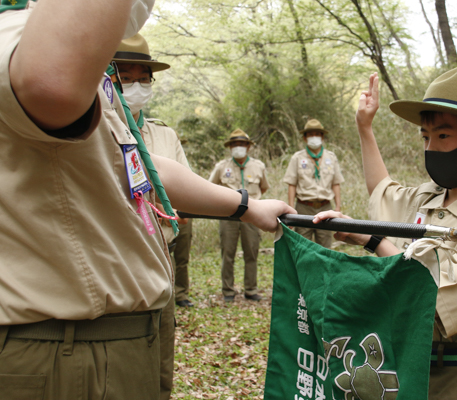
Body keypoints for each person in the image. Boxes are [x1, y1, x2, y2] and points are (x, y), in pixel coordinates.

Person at [0, 2, 294, 399]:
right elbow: (51, 84)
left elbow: (136, 163)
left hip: (112, 338)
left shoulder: (96, 81)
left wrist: (246, 206)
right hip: (66, 347)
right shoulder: (23, 35)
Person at [314, 64, 457, 399]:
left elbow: (430, 300)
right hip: (408, 367)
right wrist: (365, 128)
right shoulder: (428, 197)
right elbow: (382, 192)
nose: (431, 147)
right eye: (425, 137)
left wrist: (373, 240)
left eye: (443, 136)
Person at [110, 33, 193, 400]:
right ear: (107, 78)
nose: (137, 86)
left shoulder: (164, 134)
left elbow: (185, 190)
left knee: (161, 359)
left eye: (144, 78)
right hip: (117, 264)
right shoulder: (96, 130)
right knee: (122, 363)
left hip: (162, 259)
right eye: (126, 77)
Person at [209, 129, 269, 302]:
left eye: (242, 144)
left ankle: (251, 289)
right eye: (235, 144)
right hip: (228, 216)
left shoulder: (258, 166)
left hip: (252, 215)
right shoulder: (222, 167)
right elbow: (210, 187)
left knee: (251, 252)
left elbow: (263, 188)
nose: (238, 147)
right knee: (228, 253)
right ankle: (228, 291)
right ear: (230, 147)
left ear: (248, 147)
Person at [283, 119, 344, 248]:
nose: (314, 137)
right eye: (310, 134)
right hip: (303, 206)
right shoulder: (297, 158)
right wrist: (291, 208)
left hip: (325, 206)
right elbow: (292, 184)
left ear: (322, 137)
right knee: (303, 246)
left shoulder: (331, 157)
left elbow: (336, 183)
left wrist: (337, 206)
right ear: (305, 138)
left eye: (317, 134)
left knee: (325, 246)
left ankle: (323, 269)